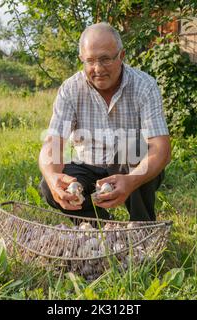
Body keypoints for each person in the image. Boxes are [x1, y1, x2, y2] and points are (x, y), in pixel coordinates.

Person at [38, 22, 171, 221]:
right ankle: (97, 225)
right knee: (48, 186)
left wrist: (131, 181)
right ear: (81, 59)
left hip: (128, 166)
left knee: (136, 148)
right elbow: (53, 144)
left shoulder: (145, 86)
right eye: (90, 61)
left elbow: (161, 148)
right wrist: (52, 178)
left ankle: (142, 228)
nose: (98, 69)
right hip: (88, 164)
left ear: (122, 56)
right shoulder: (70, 89)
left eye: (105, 59)